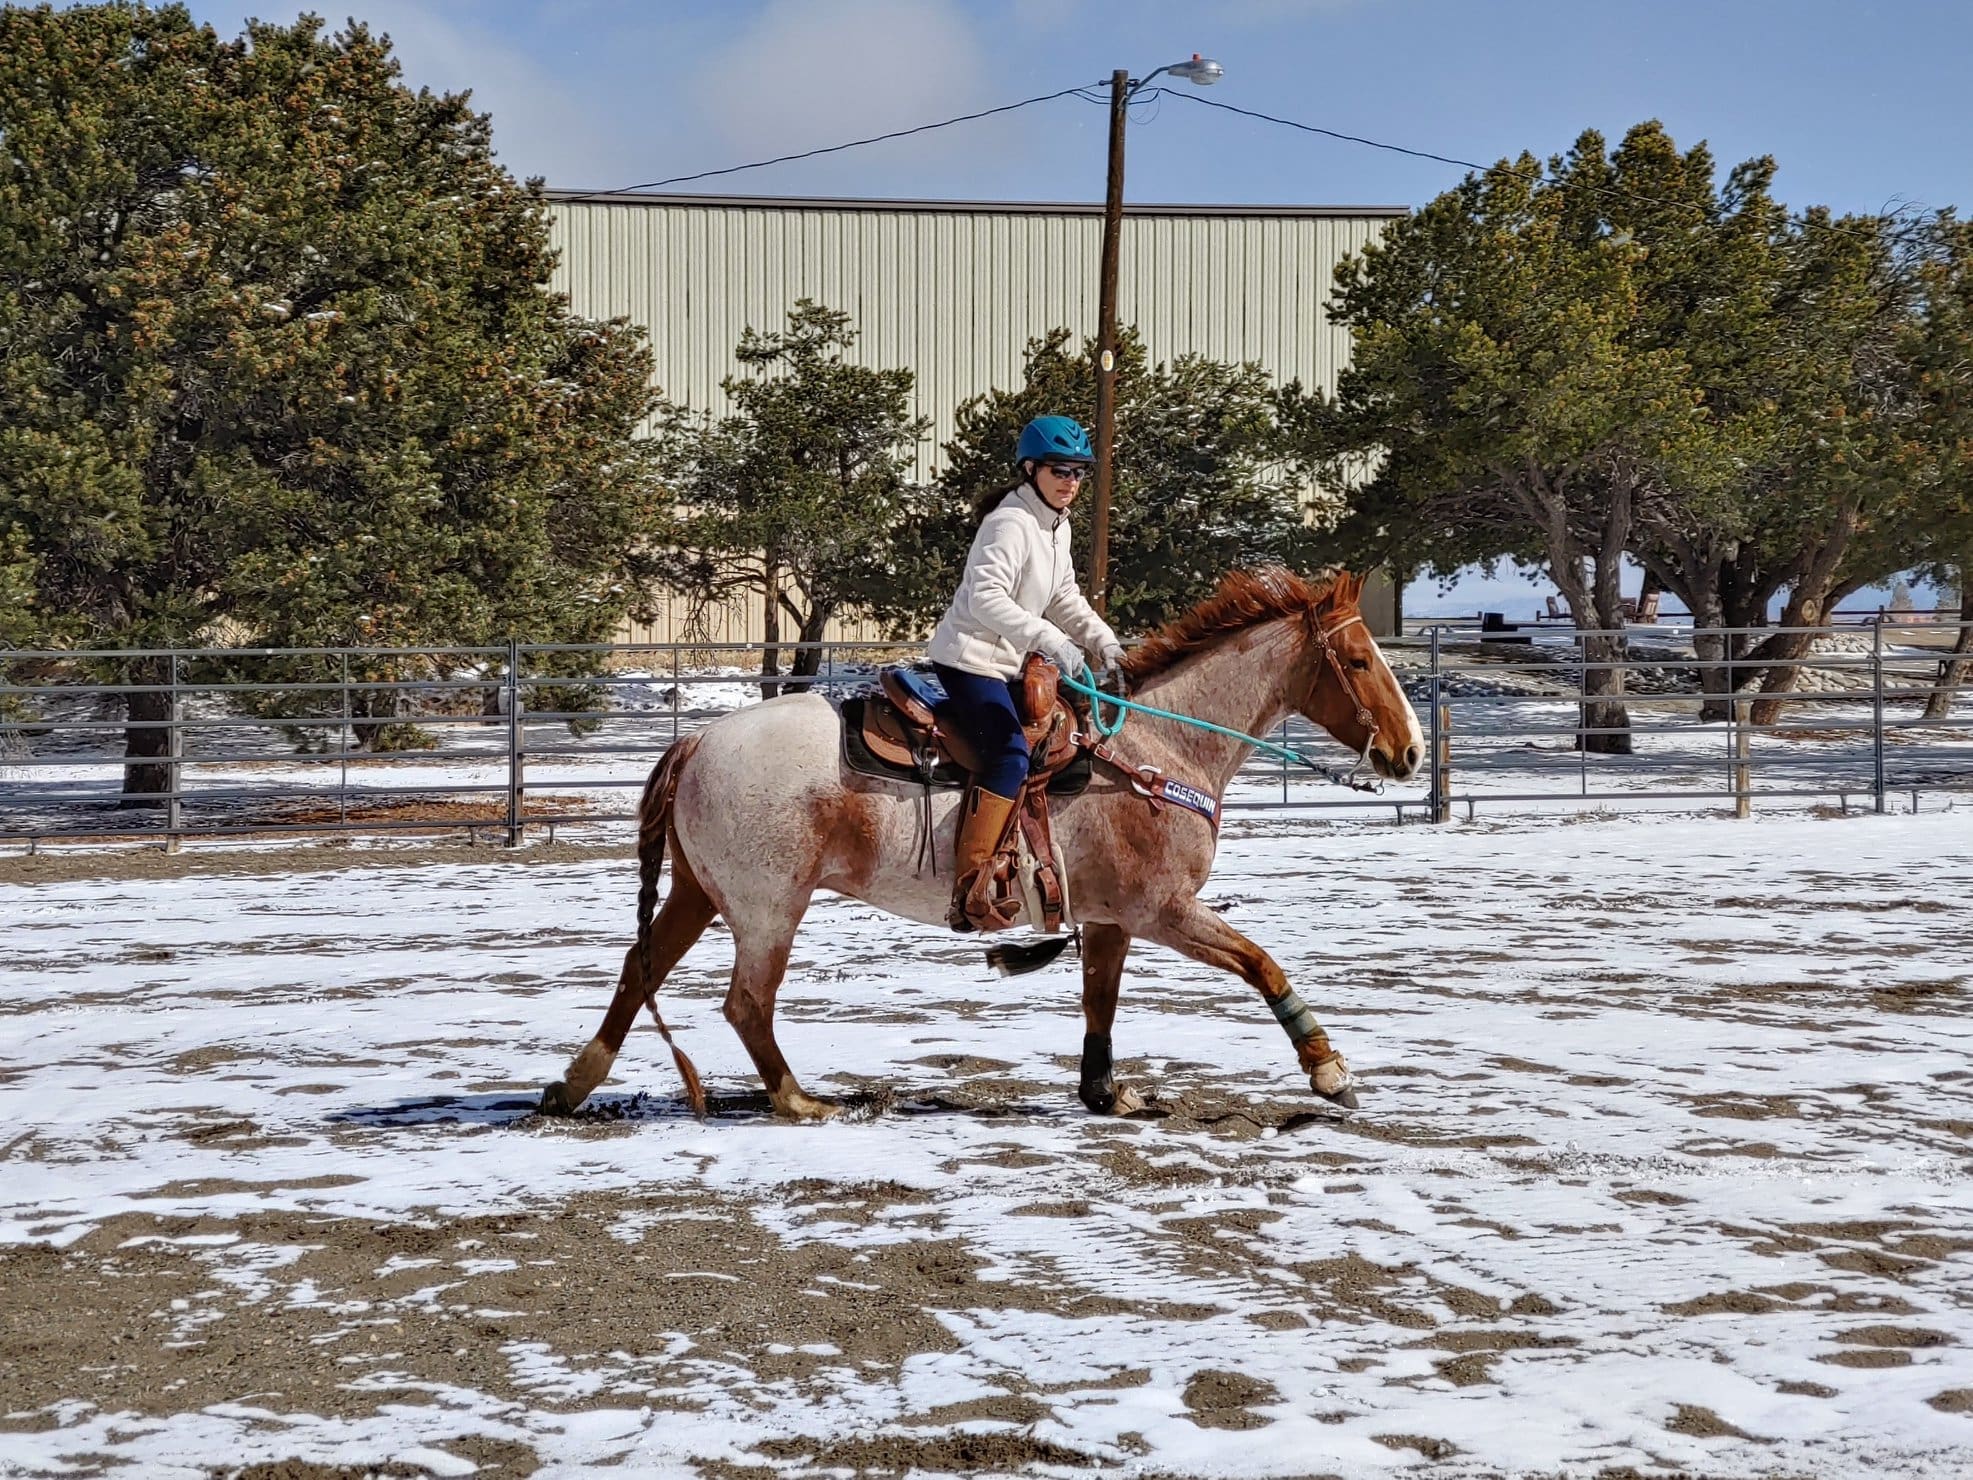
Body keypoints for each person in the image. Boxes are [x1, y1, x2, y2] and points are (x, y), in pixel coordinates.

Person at [927, 415, 1126, 932]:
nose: (1070, 481)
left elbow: (1064, 598)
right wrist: (1048, 638)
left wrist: (1102, 640)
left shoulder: (1055, 526)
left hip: (1008, 662)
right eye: (1060, 469)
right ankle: (970, 889)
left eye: (1080, 472)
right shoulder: (1010, 523)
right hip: (969, 661)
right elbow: (984, 598)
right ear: (1031, 468)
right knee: (1010, 754)